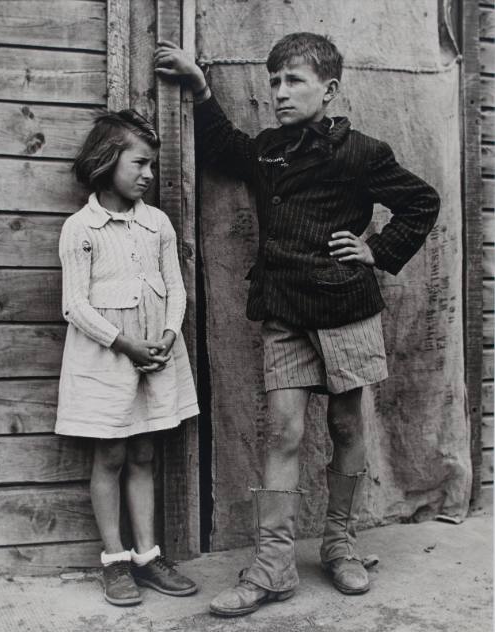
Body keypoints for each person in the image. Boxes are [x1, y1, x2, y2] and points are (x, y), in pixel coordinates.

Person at [155, 32, 440, 617]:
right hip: (283, 307)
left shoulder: (362, 151)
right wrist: (202, 87)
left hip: (346, 308)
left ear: (329, 90)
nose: (280, 93)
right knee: (283, 431)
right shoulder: (267, 151)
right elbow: (224, 147)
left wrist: (377, 251)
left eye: (294, 82)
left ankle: (340, 543)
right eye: (275, 82)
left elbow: (420, 201)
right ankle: (273, 565)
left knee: (344, 426)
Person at [55, 109, 199, 606]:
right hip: (107, 360)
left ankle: (147, 555)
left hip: (154, 356)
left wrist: (165, 334)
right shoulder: (82, 228)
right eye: (139, 163)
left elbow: (176, 289)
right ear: (106, 160)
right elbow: (74, 305)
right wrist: (125, 343)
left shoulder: (156, 223)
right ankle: (114, 561)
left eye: (153, 166)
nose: (148, 175)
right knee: (111, 454)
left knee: (144, 452)